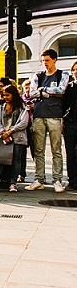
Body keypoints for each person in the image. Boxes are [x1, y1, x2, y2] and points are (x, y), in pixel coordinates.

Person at [26, 49, 70, 192]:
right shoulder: (38, 75)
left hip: (54, 115)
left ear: (55, 59)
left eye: (47, 60)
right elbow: (31, 93)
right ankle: (39, 179)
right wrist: (47, 93)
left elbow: (61, 90)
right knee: (38, 150)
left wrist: (43, 91)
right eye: (43, 60)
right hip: (39, 115)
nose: (45, 63)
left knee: (56, 149)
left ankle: (57, 180)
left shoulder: (62, 74)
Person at [63, 61, 77, 191]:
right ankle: (72, 180)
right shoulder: (69, 87)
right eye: (74, 70)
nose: (76, 72)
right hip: (70, 122)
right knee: (70, 153)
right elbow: (64, 106)